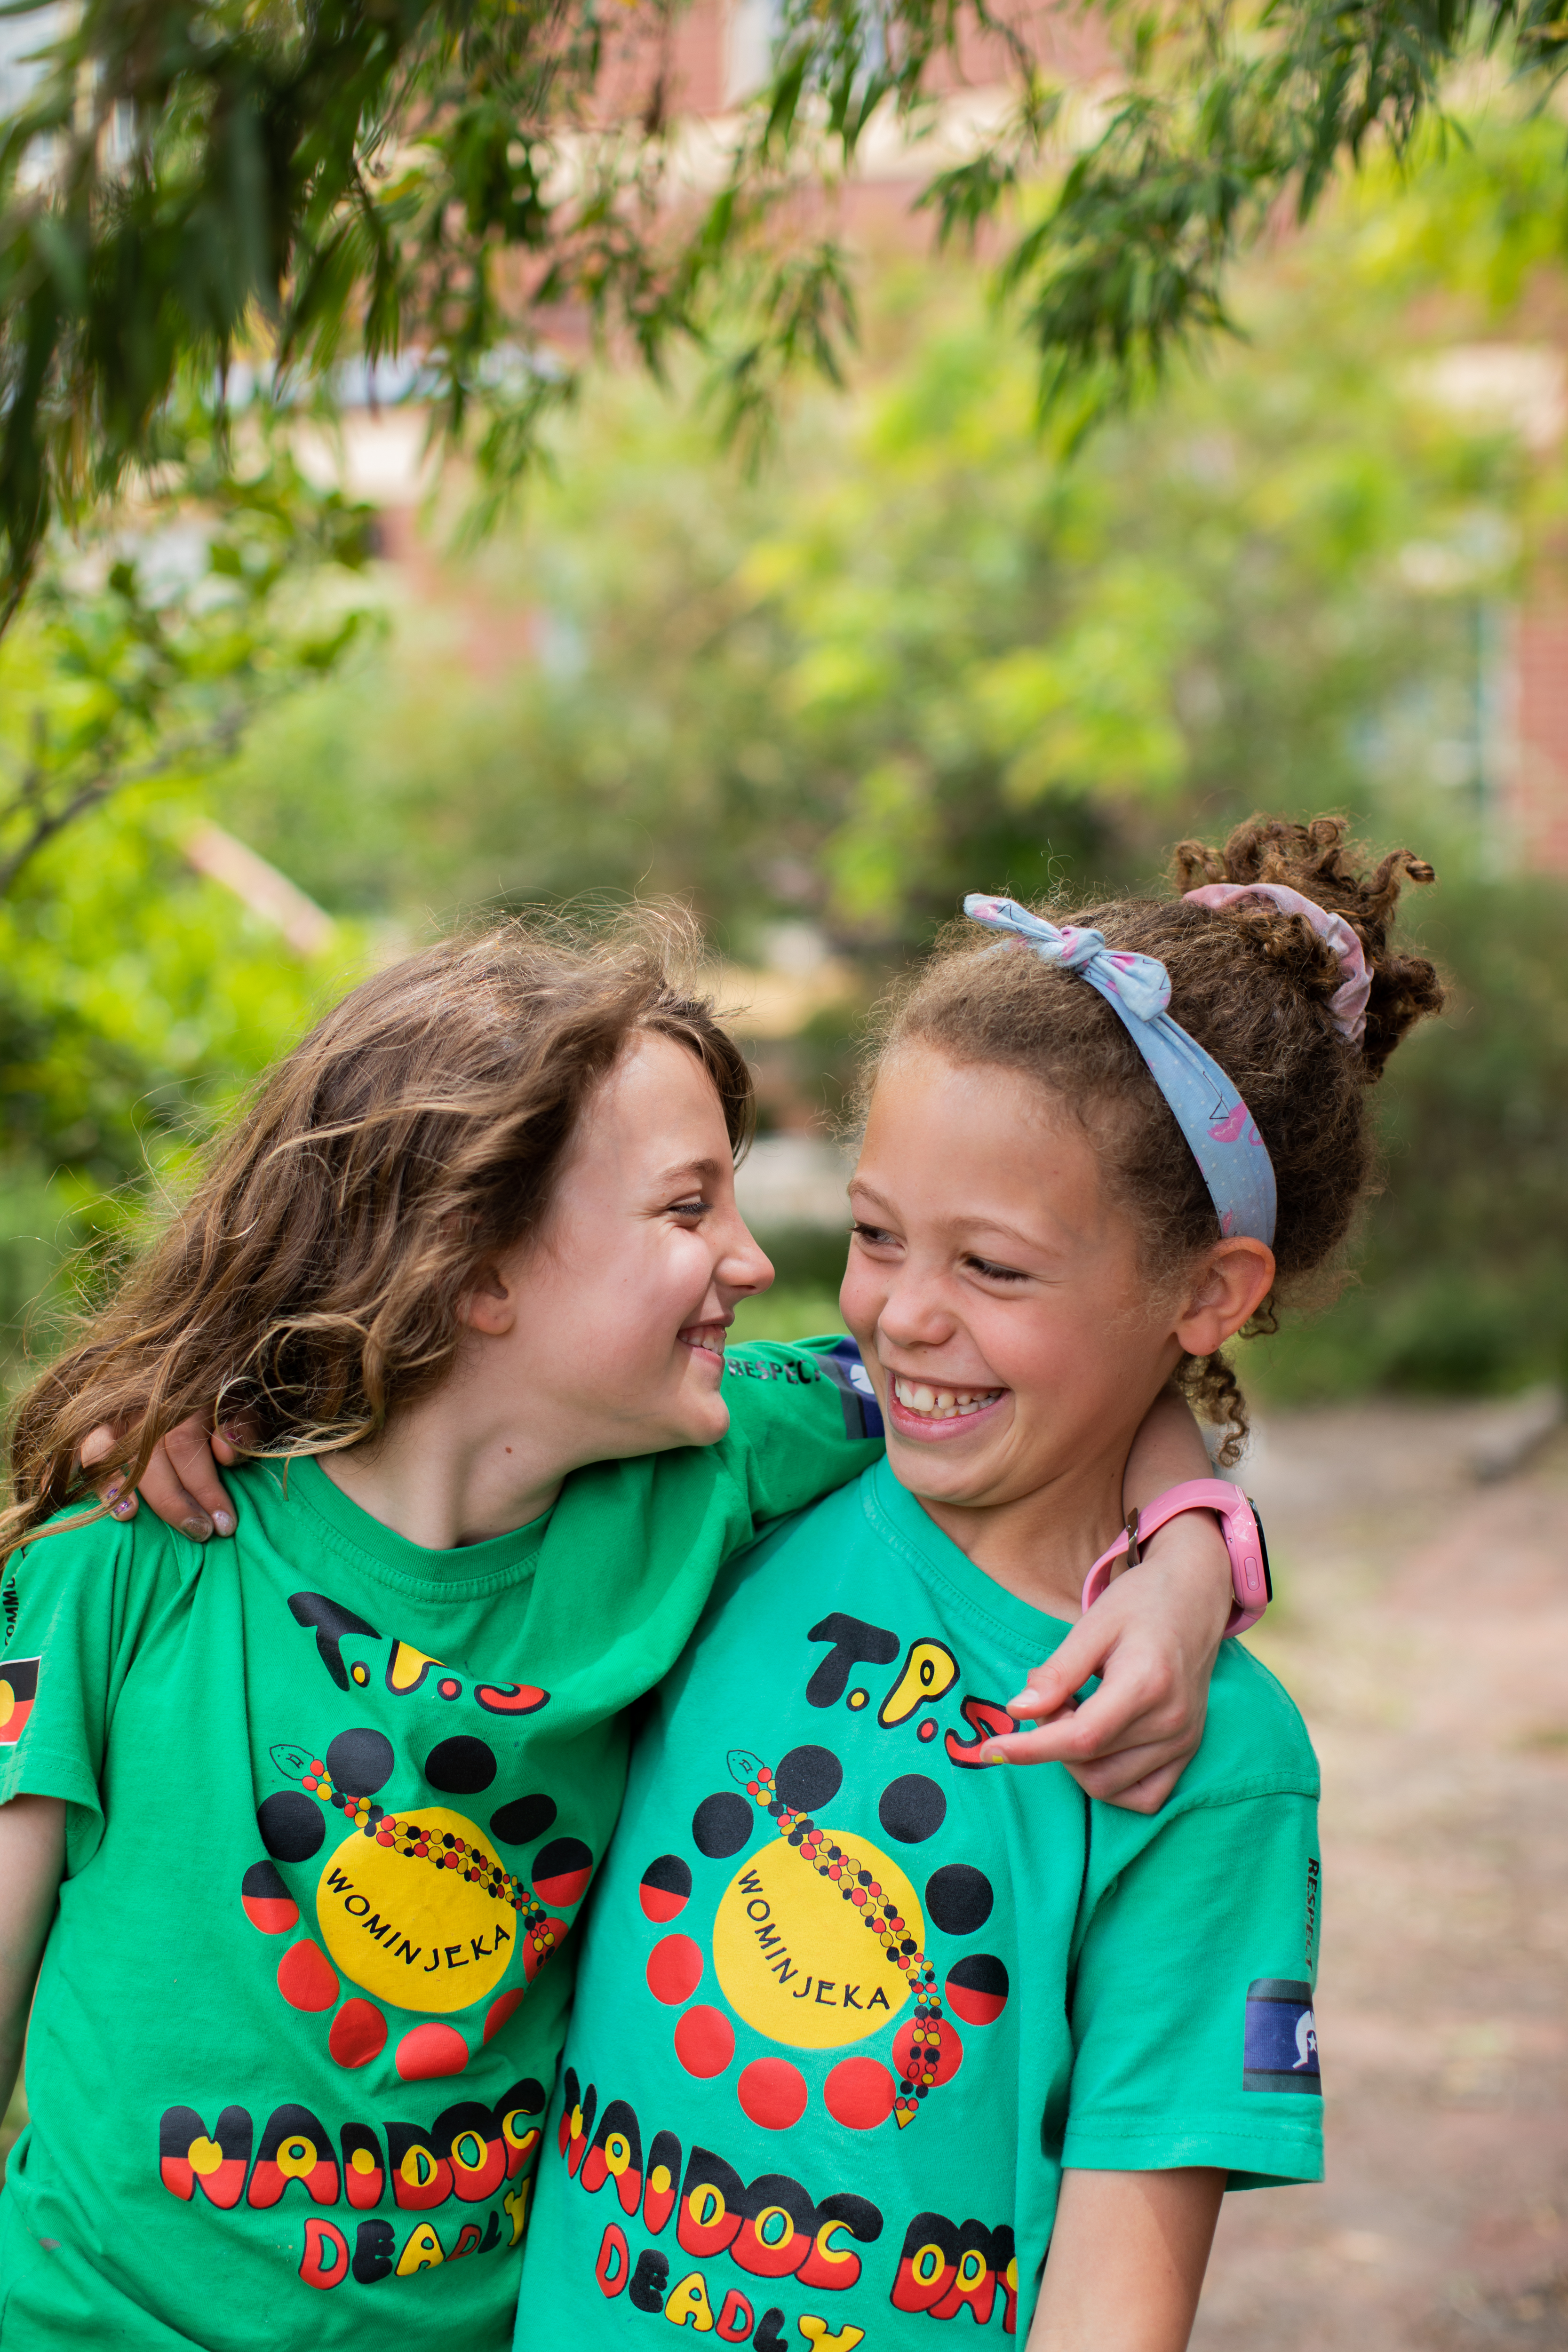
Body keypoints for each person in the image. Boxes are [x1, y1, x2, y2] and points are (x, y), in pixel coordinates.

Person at [0, 915, 1234, 2352]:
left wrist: (1188, 1546)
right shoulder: (130, 1558)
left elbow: (1084, 1355)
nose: (753, 1259)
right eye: (686, 1208)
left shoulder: (714, 1469)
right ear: (478, 1266)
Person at [517, 817, 1444, 2352]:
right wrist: (201, 1417)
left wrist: (1189, 1549)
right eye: (877, 1239)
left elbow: (1121, 2286)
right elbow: (434, 1427)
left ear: (1208, 1293)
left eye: (996, 1270)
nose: (905, 1317)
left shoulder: (1205, 1759)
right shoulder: (742, 1482)